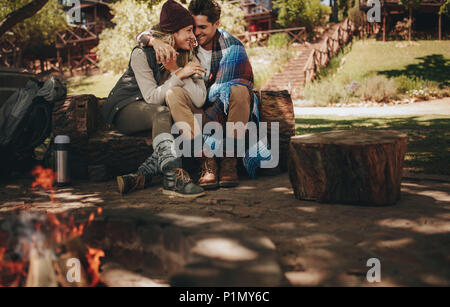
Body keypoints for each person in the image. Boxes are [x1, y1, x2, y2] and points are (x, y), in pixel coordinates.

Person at [137, 0, 272, 190]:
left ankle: (229, 161)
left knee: (240, 90)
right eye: (192, 27)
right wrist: (154, 41)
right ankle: (207, 162)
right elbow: (143, 35)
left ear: (216, 24)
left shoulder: (232, 47)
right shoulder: (185, 43)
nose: (196, 33)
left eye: (202, 27)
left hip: (228, 115)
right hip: (197, 114)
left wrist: (198, 81)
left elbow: (232, 89)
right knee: (173, 93)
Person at [102, 0, 207, 198]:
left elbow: (199, 100)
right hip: (126, 108)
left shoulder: (189, 56)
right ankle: (172, 177)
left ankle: (140, 176)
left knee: (179, 128)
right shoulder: (141, 54)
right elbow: (152, 99)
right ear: (173, 32)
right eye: (188, 30)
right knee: (163, 113)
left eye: (193, 30)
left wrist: (176, 70)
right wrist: (179, 75)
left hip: (156, 114)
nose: (193, 36)